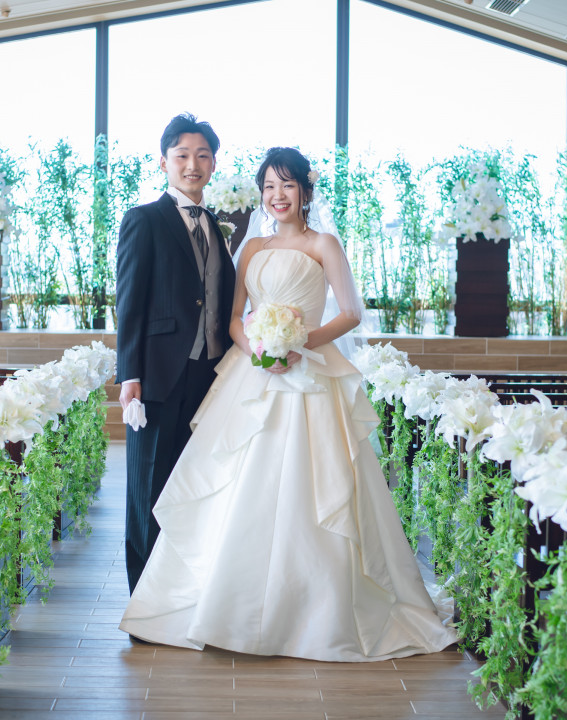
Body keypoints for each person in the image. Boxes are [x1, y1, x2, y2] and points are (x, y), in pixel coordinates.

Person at [119, 147, 458, 661]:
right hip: (252, 376)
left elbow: (349, 313)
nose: (277, 197)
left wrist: (301, 344)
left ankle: (316, 608)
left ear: (304, 191)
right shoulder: (250, 248)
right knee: (232, 481)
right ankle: (221, 601)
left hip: (310, 373)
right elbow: (232, 317)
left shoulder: (325, 244)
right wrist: (257, 347)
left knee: (317, 481)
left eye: (287, 186)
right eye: (269, 188)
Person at [115, 114, 236, 594]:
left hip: (209, 374)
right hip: (159, 375)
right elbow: (130, 302)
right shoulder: (144, 219)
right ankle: (143, 597)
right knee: (148, 486)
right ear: (163, 161)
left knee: (191, 485)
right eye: (183, 155)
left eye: (203, 155)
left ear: (213, 163)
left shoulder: (215, 226)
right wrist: (130, 375)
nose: (193, 164)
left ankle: (181, 591)